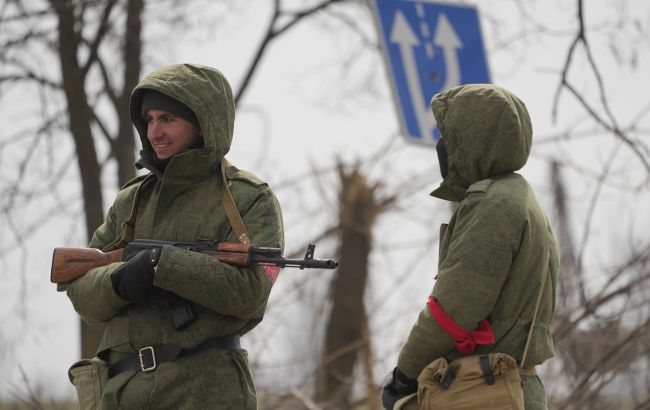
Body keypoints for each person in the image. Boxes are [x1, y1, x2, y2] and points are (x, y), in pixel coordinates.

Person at [64, 63, 284, 409]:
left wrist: (165, 265)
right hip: (122, 391)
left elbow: (251, 294)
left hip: (204, 392)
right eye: (149, 120)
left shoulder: (247, 199)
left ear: (201, 124)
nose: (155, 133)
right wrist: (121, 280)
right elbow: (80, 287)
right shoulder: (133, 200)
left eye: (167, 119)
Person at [381, 84, 559, 410]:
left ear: (473, 139)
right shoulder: (521, 198)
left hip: (484, 391)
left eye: (449, 135)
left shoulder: (493, 205)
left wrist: (404, 374)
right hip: (510, 388)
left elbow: (454, 309)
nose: (443, 145)